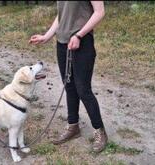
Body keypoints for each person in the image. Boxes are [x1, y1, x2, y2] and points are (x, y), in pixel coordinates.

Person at [29, 1, 107, 152]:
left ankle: (100, 131)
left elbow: (99, 12)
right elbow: (62, 16)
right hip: (62, 43)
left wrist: (79, 35)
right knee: (69, 87)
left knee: (83, 89)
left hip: (82, 42)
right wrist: (47, 36)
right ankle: (73, 126)